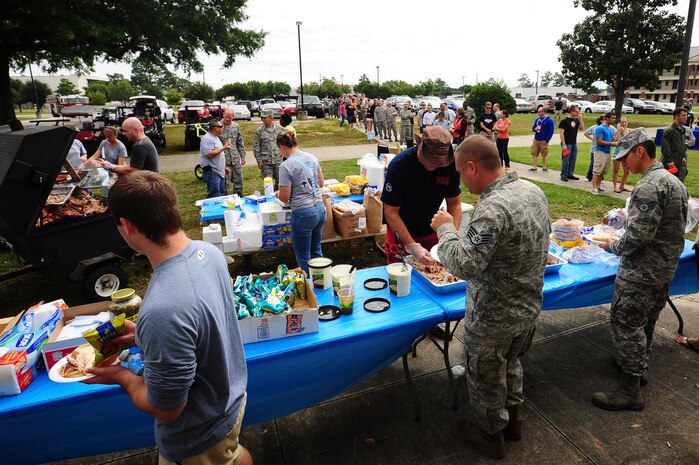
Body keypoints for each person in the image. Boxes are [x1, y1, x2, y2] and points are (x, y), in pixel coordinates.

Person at [84, 171, 251, 465]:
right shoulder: (209, 253)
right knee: (233, 454)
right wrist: (146, 337)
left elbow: (168, 409)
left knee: (229, 456)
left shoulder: (162, 310)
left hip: (199, 435)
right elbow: (201, 328)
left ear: (126, 226)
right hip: (231, 402)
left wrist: (123, 377)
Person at [431, 136, 550, 460]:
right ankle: (514, 421)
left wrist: (445, 229)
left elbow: (464, 264)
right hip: (527, 308)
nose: (459, 180)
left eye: (459, 172)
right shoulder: (532, 191)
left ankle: (490, 434)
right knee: (510, 363)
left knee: (484, 374)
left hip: (493, 315)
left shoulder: (492, 208)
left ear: (472, 166)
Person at [592, 129, 687, 411]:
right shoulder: (672, 181)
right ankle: (637, 366)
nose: (624, 164)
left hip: (642, 272)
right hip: (663, 268)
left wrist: (611, 246)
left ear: (640, 152)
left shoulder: (648, 186)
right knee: (646, 322)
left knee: (626, 324)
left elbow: (638, 237)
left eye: (625, 158)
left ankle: (630, 388)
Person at [381, 126, 462, 264]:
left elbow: (454, 203)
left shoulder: (450, 165)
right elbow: (391, 212)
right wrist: (412, 246)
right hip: (401, 231)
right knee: (402, 280)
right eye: (431, 160)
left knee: (436, 274)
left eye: (440, 163)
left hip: (432, 230)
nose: (435, 166)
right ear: (421, 148)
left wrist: (451, 234)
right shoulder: (400, 166)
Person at [276, 132, 326, 274]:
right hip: (320, 208)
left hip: (304, 213)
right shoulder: (312, 158)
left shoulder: (286, 166)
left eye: (279, 150)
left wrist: (277, 193)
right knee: (316, 250)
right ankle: (322, 282)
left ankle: (310, 287)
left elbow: (285, 198)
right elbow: (320, 183)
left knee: (304, 256)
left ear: (282, 147)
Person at [94, 117, 159, 174]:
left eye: (126, 131)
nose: (124, 134)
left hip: (148, 185)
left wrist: (111, 167)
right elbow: (133, 167)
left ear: (135, 130)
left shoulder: (140, 145)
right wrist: (109, 165)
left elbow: (133, 171)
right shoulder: (145, 140)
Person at [200, 119, 231, 198]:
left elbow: (218, 154)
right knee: (214, 195)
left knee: (221, 194)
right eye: (221, 126)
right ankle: (211, 210)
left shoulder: (216, 138)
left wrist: (224, 167)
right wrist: (224, 148)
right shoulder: (207, 139)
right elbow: (209, 154)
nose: (222, 128)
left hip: (219, 171)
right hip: (212, 172)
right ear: (215, 127)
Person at [253, 109, 284, 190]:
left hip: (278, 160)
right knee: (268, 184)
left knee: (280, 181)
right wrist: (259, 161)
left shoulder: (280, 129)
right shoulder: (259, 131)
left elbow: (285, 143)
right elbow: (256, 147)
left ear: (270, 117)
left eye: (264, 118)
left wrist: (284, 152)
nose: (262, 120)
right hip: (266, 162)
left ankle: (279, 198)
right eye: (261, 118)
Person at [220, 109, 247, 196]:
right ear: (223, 115)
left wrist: (243, 157)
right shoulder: (218, 126)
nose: (227, 119)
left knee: (238, 179)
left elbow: (240, 142)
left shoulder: (236, 126)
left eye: (229, 117)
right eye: (225, 117)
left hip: (235, 158)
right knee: (225, 181)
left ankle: (238, 197)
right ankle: (226, 198)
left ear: (233, 117)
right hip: (223, 159)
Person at [661, 107, 690, 182]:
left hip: (680, 163)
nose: (686, 118)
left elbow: (683, 145)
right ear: (676, 117)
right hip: (671, 164)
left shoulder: (682, 129)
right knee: (668, 184)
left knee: (679, 183)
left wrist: (683, 157)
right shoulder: (669, 131)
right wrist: (670, 161)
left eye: (686, 115)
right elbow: (666, 148)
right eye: (683, 115)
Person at [591, 113, 617, 194]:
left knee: (603, 170)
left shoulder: (611, 129)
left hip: (607, 151)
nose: (614, 120)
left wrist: (617, 134)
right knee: (597, 170)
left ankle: (598, 187)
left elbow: (612, 140)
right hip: (600, 151)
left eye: (614, 118)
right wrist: (612, 144)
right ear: (607, 118)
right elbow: (599, 141)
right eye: (612, 118)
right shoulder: (600, 128)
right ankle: (594, 188)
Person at [558, 104, 585, 182]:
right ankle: (564, 175)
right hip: (567, 144)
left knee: (573, 159)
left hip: (574, 143)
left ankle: (570, 174)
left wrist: (580, 119)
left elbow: (582, 128)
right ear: (571, 111)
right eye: (576, 111)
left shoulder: (576, 120)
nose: (578, 113)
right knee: (566, 159)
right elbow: (561, 133)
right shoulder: (564, 121)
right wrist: (563, 144)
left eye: (578, 111)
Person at [529, 107, 554, 171]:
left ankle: (544, 167)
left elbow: (551, 131)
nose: (538, 113)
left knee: (544, 154)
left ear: (543, 112)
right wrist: (535, 129)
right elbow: (533, 127)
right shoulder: (537, 119)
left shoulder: (549, 120)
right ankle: (534, 166)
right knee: (534, 152)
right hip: (536, 139)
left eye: (539, 111)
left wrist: (547, 139)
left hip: (544, 140)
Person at [612, 116, 631, 192]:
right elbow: (616, 142)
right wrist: (619, 133)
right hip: (617, 152)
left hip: (626, 153)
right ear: (619, 123)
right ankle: (615, 187)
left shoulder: (630, 131)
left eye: (625, 122)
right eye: (622, 122)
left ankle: (622, 186)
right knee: (616, 170)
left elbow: (629, 141)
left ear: (627, 123)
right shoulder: (616, 131)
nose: (623, 124)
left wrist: (624, 132)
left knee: (627, 171)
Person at [584, 116, 604, 182]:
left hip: (603, 148)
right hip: (594, 148)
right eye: (602, 120)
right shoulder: (594, 127)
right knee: (593, 163)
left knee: (601, 163)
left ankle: (601, 178)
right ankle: (589, 176)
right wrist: (592, 138)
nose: (603, 121)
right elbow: (586, 133)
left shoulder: (607, 127)